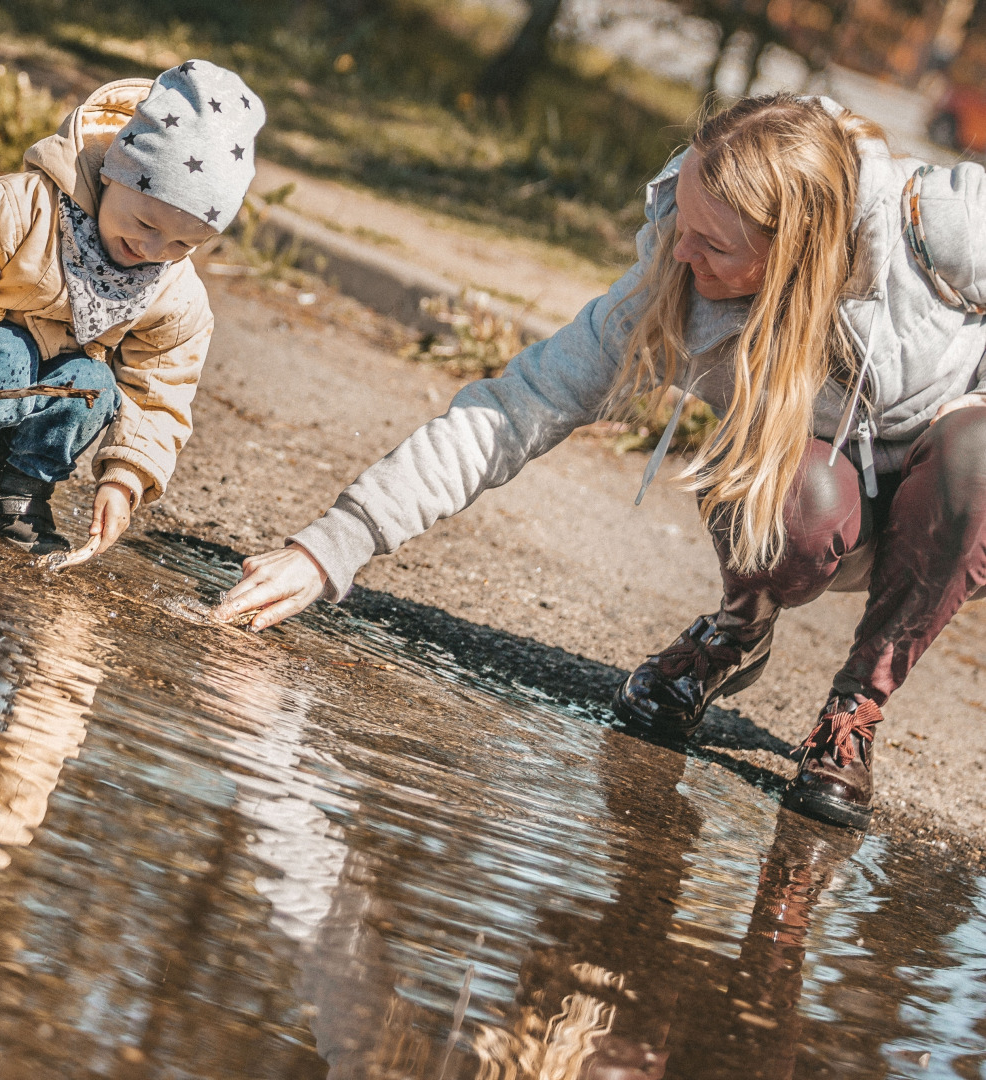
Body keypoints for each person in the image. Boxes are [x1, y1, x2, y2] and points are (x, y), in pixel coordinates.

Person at [214, 94, 986, 831]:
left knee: (976, 452)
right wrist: (329, 547)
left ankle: (856, 708)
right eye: (683, 219)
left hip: (948, 515)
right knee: (793, 498)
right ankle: (737, 633)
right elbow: (516, 406)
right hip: (819, 506)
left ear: (793, 254)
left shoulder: (936, 225)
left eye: (712, 244)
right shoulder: (681, 283)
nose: (679, 252)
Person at [0, 60, 265, 555]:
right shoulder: (25, 206)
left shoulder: (175, 291)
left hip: (53, 382)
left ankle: (16, 492)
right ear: (113, 173)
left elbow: (160, 389)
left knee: (95, 386)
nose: (152, 249)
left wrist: (126, 476)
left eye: (181, 243)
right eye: (145, 223)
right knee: (10, 354)